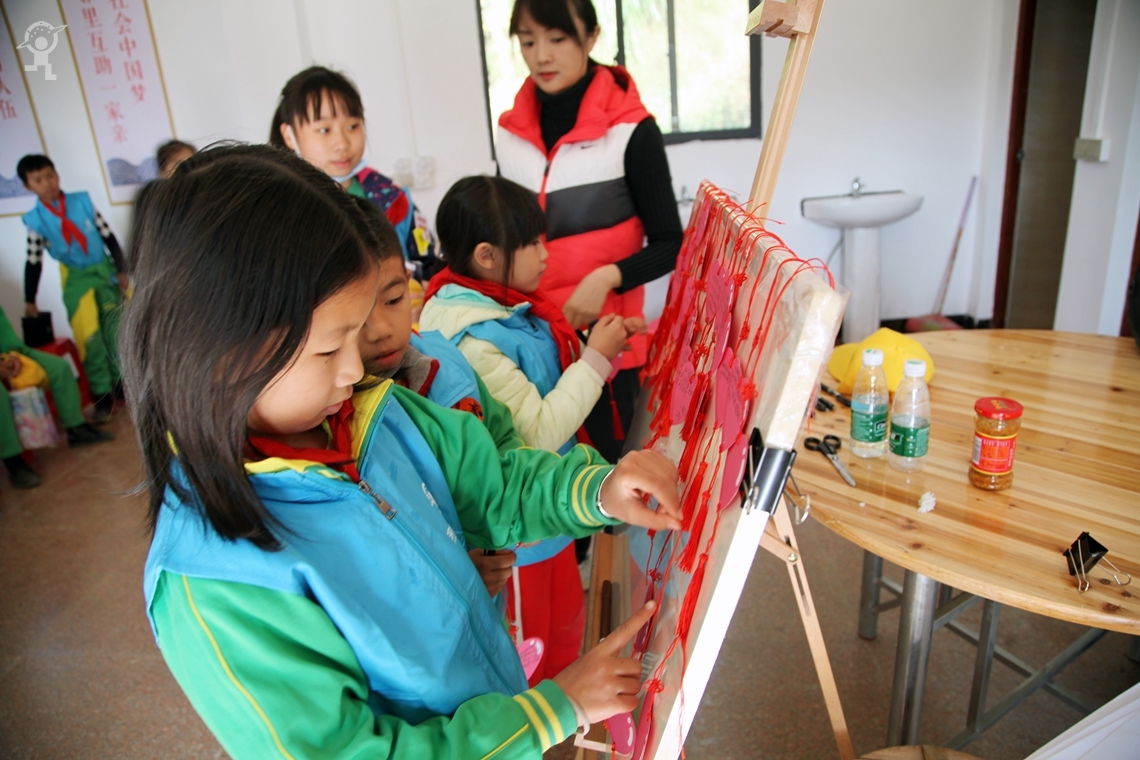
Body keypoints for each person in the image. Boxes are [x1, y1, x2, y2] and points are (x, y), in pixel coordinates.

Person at [126, 143, 680, 759]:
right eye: (329, 349)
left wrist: (599, 489)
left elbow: (493, 486)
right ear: (223, 353)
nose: (355, 368)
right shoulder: (215, 579)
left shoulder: (370, 410)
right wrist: (552, 710)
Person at [420, 175, 635, 685]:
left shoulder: (506, 308)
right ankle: (545, 718)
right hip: (521, 533)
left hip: (547, 511)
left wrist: (594, 347)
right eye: (533, 243)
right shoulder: (472, 338)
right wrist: (595, 360)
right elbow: (536, 433)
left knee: (564, 631)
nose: (545, 254)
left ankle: (565, 708)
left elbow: (540, 378)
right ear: (487, 256)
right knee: (532, 653)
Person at [496, 0, 683, 464]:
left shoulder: (632, 131)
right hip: (534, 342)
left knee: (610, 476)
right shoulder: (510, 136)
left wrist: (604, 278)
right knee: (546, 473)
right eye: (527, 42)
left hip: (606, 346)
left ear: (592, 36)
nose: (541, 55)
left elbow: (671, 244)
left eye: (557, 39)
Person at [353, 196, 520, 597]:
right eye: (356, 316)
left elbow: (503, 439)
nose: (381, 329)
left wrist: (501, 531)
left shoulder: (447, 360)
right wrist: (459, 571)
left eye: (394, 300)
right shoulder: (340, 418)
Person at [269, 66, 439, 281]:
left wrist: (416, 288)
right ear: (289, 135)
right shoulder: (279, 210)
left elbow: (428, 263)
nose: (342, 143)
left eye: (352, 126)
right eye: (324, 130)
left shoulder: (393, 199)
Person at [18, 154, 128, 424]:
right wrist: (30, 299)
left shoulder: (82, 202)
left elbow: (108, 237)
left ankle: (124, 387)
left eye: (50, 176)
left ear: (57, 175)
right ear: (28, 186)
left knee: (116, 331)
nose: (47, 183)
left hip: (104, 274)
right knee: (90, 338)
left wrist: (121, 270)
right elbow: (33, 261)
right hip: (76, 281)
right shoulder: (35, 221)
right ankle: (102, 396)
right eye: (38, 180)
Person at [0, 307, 111, 489]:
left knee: (59, 368)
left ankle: (76, 428)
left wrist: (12, 354)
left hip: (6, 355)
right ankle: (13, 462)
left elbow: (2, 326)